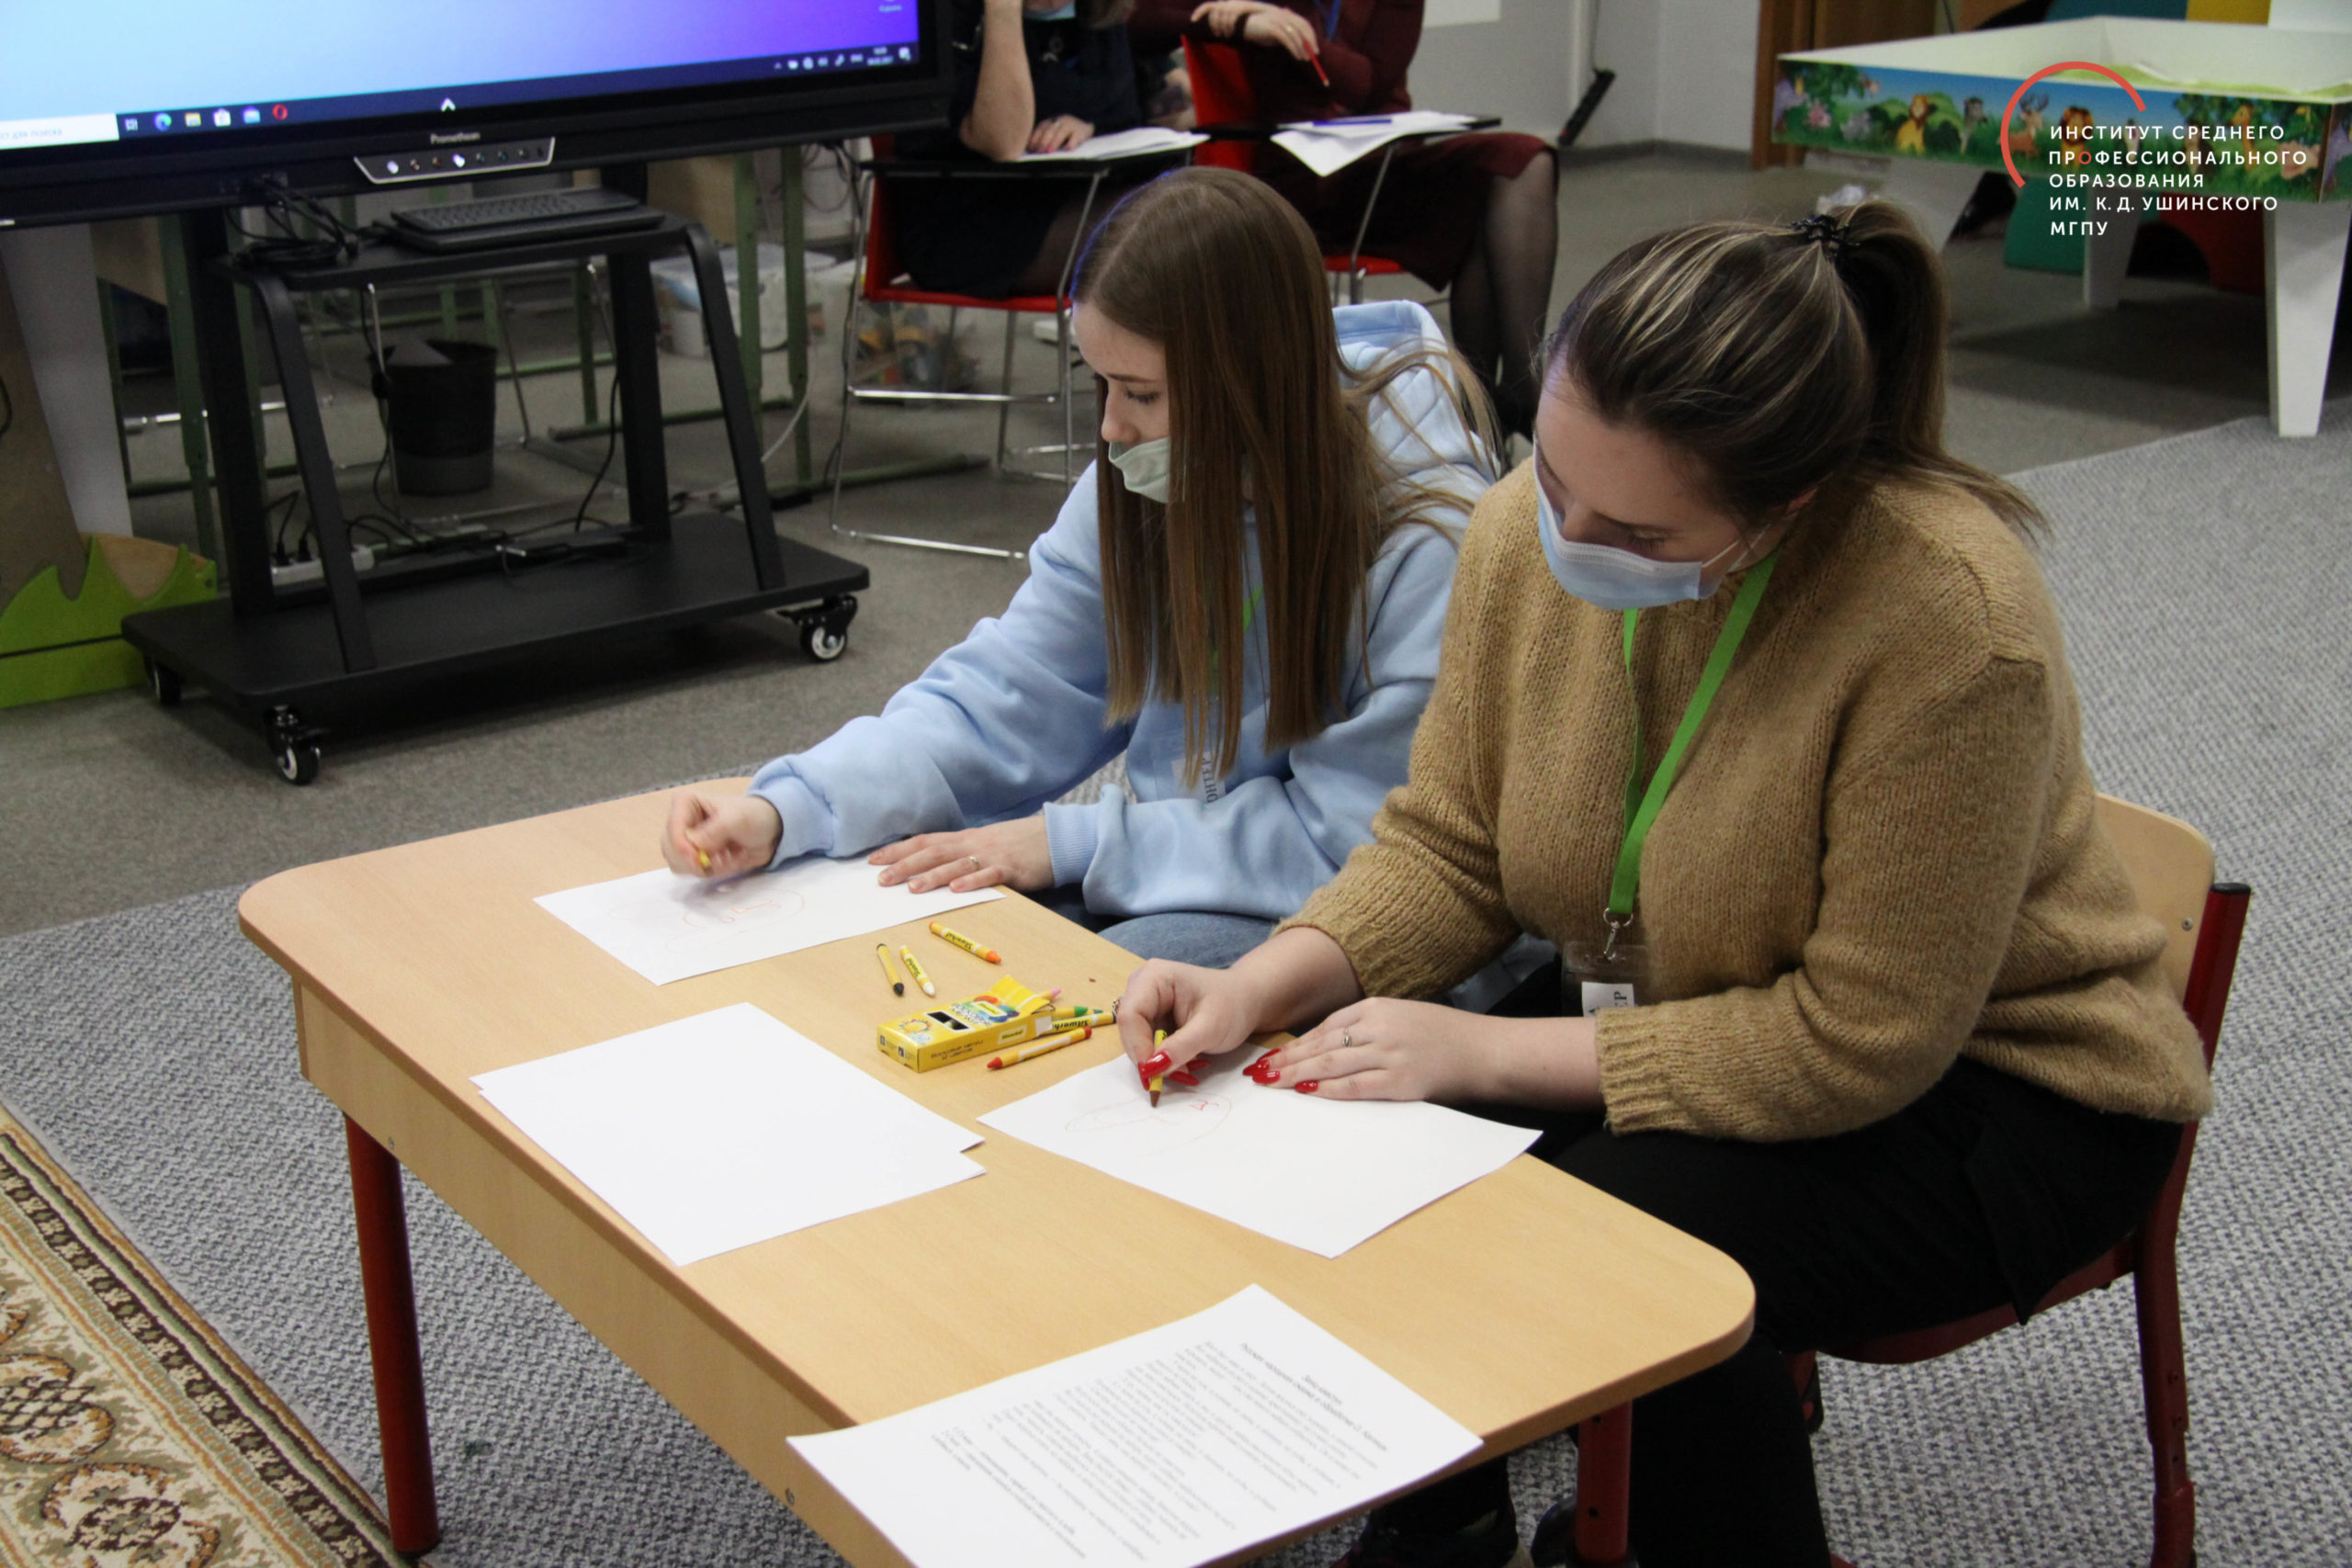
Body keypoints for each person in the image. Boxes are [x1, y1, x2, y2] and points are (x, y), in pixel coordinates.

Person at [1112, 201, 2213, 1566]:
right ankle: (1445, 1514)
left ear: (1785, 509)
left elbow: (1861, 1038)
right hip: (1698, 999)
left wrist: (1484, 1050)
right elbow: (1453, 843)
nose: (1564, 536)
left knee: (1617, 1248)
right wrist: (1266, 979)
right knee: (1352, 1120)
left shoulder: (1950, 624)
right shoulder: (1525, 535)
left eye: (1634, 528)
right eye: (1551, 476)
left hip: (1998, 1090)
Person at [663, 168, 1497, 968]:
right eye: (1101, 384)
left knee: (1090, 991)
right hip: (1183, 855)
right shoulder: (1151, 477)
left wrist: (1077, 841)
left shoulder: (1424, 541)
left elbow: (1356, 846)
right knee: (935, 929)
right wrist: (792, 806)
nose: (1110, 429)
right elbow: (1008, 693)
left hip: (1351, 905)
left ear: (1252, 381)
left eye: (1141, 394)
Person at [1128, 0, 1558, 436]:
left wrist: (1295, 34)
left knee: (1523, 162)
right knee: (1478, 205)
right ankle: (1488, 408)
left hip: (1384, 169)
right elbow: (1139, 21)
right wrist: (1242, 20)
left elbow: (1367, 85)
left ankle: (1512, 388)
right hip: (1293, 183)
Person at [885, 0, 1148, 299]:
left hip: (1066, 197)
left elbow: (1122, 112)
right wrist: (1003, 11)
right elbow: (1003, 142)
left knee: (1176, 212)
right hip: (968, 224)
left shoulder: (1095, 9)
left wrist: (1086, 127)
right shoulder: (951, 15)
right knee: (1157, 230)